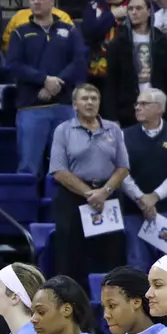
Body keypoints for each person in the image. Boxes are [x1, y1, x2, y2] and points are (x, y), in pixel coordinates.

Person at [6, 0, 88, 176]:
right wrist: (44, 80)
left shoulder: (69, 31)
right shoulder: (19, 33)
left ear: (52, 1)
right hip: (31, 108)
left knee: (67, 167)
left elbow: (79, 61)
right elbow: (14, 65)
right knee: (28, 167)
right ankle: (26, 207)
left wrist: (57, 82)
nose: (35, 2)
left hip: (64, 107)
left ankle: (60, 207)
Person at [49, 84, 130, 282]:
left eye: (94, 98)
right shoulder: (63, 130)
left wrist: (104, 191)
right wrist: (89, 193)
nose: (90, 102)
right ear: (75, 104)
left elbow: (123, 167)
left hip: (108, 196)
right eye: (85, 98)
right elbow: (59, 171)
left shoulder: (113, 129)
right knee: (70, 256)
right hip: (73, 198)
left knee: (111, 254)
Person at [120, 86, 167, 272]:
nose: (137, 107)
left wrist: (155, 196)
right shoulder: (124, 135)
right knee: (137, 264)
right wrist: (142, 199)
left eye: (144, 103)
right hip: (134, 210)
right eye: (137, 103)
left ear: (159, 108)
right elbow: (121, 172)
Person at [105, 0, 167, 123]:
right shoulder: (118, 42)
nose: (134, 12)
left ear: (149, 11)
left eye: (139, 8)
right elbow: (111, 83)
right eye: (131, 9)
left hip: (159, 109)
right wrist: (112, 118)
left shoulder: (162, 41)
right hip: (127, 111)